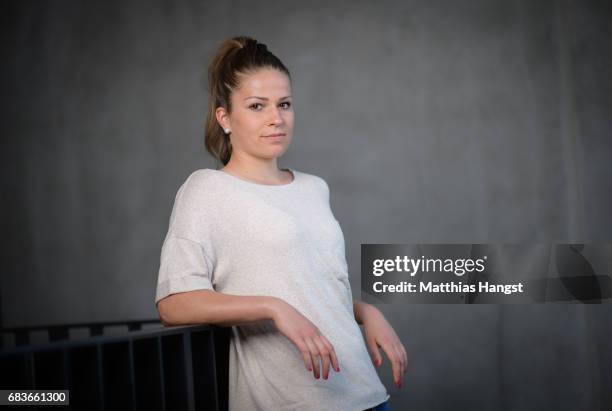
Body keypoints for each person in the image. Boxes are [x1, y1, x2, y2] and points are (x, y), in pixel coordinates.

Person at [155, 36, 407, 411]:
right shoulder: (206, 190)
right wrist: (273, 307)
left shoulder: (314, 187)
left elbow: (312, 287)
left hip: (367, 395)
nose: (276, 118)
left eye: (284, 104)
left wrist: (366, 312)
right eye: (257, 106)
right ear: (225, 117)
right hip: (290, 402)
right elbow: (175, 303)